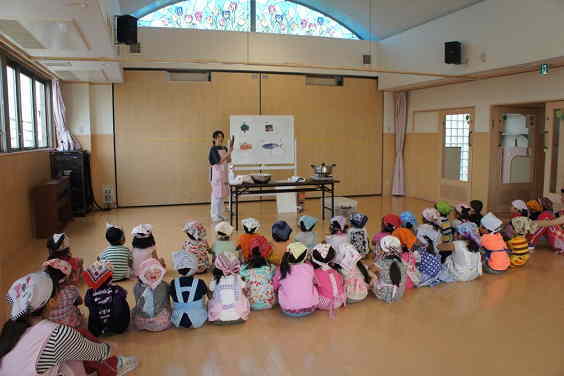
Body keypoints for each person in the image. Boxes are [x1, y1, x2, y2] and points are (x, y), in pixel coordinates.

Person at [0, 271, 138, 375]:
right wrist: (112, 346)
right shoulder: (57, 334)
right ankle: (113, 366)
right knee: (79, 353)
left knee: (79, 338)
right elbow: (99, 352)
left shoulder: (11, 327)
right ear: (52, 301)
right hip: (86, 350)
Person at [83, 261, 130, 337]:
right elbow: (124, 294)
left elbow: (86, 303)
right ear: (110, 279)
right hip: (119, 326)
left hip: (97, 326)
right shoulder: (116, 289)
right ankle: (115, 324)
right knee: (122, 300)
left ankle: (101, 327)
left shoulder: (89, 293)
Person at [273, 242, 319, 317]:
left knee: (282, 286)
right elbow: (315, 282)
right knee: (312, 286)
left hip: (288, 310)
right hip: (311, 308)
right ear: (304, 257)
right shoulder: (309, 267)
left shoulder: (281, 269)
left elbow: (275, 286)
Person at [169, 251, 208, 329]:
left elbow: (172, 296)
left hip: (178, 320)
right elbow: (206, 295)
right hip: (197, 319)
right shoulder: (200, 282)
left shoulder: (173, 282)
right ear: (194, 268)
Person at [208, 252, 250, 325]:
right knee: (243, 297)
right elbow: (246, 291)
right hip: (239, 318)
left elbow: (210, 295)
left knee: (211, 300)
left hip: (218, 319)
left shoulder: (215, 280)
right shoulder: (238, 278)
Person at [132, 258, 171, 332]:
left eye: (156, 271)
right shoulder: (164, 285)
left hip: (140, 322)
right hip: (160, 322)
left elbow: (137, 302)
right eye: (149, 272)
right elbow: (167, 301)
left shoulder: (137, 286)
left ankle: (144, 322)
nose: (153, 274)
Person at [43, 259, 84, 329]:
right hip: (70, 323)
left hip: (53, 326)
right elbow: (80, 301)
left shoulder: (43, 293)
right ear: (66, 278)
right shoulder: (71, 290)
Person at [240, 237, 277, 311]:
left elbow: (240, 279)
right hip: (269, 304)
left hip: (250, 304)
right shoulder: (271, 268)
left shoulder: (244, 268)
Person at [369, 236, 407, 303]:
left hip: (383, 295)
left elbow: (369, 270)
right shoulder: (403, 262)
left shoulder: (381, 262)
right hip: (399, 293)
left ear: (384, 250)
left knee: (370, 274)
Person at [311, 244, 345, 317]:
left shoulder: (315, 273)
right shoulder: (335, 271)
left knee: (312, 286)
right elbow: (341, 282)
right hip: (339, 300)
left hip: (325, 303)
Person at [209, 130, 233, 222]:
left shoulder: (224, 148)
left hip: (224, 174)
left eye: (221, 136)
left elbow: (229, 160)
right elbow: (218, 161)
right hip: (216, 175)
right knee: (216, 195)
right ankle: (214, 215)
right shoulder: (213, 149)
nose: (220, 138)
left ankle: (220, 214)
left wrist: (230, 151)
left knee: (222, 195)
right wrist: (228, 152)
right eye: (218, 137)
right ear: (214, 138)